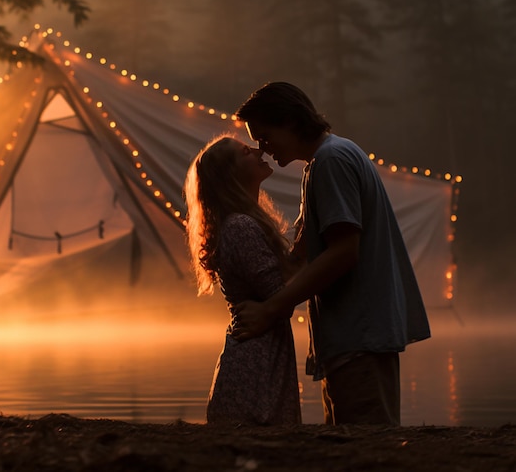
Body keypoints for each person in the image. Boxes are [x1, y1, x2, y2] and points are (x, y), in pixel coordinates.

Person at [232, 82, 431, 426]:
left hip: (360, 335)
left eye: (265, 136)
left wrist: (271, 310)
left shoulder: (332, 161)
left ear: (291, 122)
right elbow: (303, 254)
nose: (262, 149)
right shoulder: (321, 164)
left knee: (366, 447)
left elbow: (343, 252)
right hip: (350, 336)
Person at [184, 134, 302, 426]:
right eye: (245, 152)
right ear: (232, 175)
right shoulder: (240, 227)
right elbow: (280, 293)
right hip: (255, 361)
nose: (258, 150)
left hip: (259, 352)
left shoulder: (241, 222)